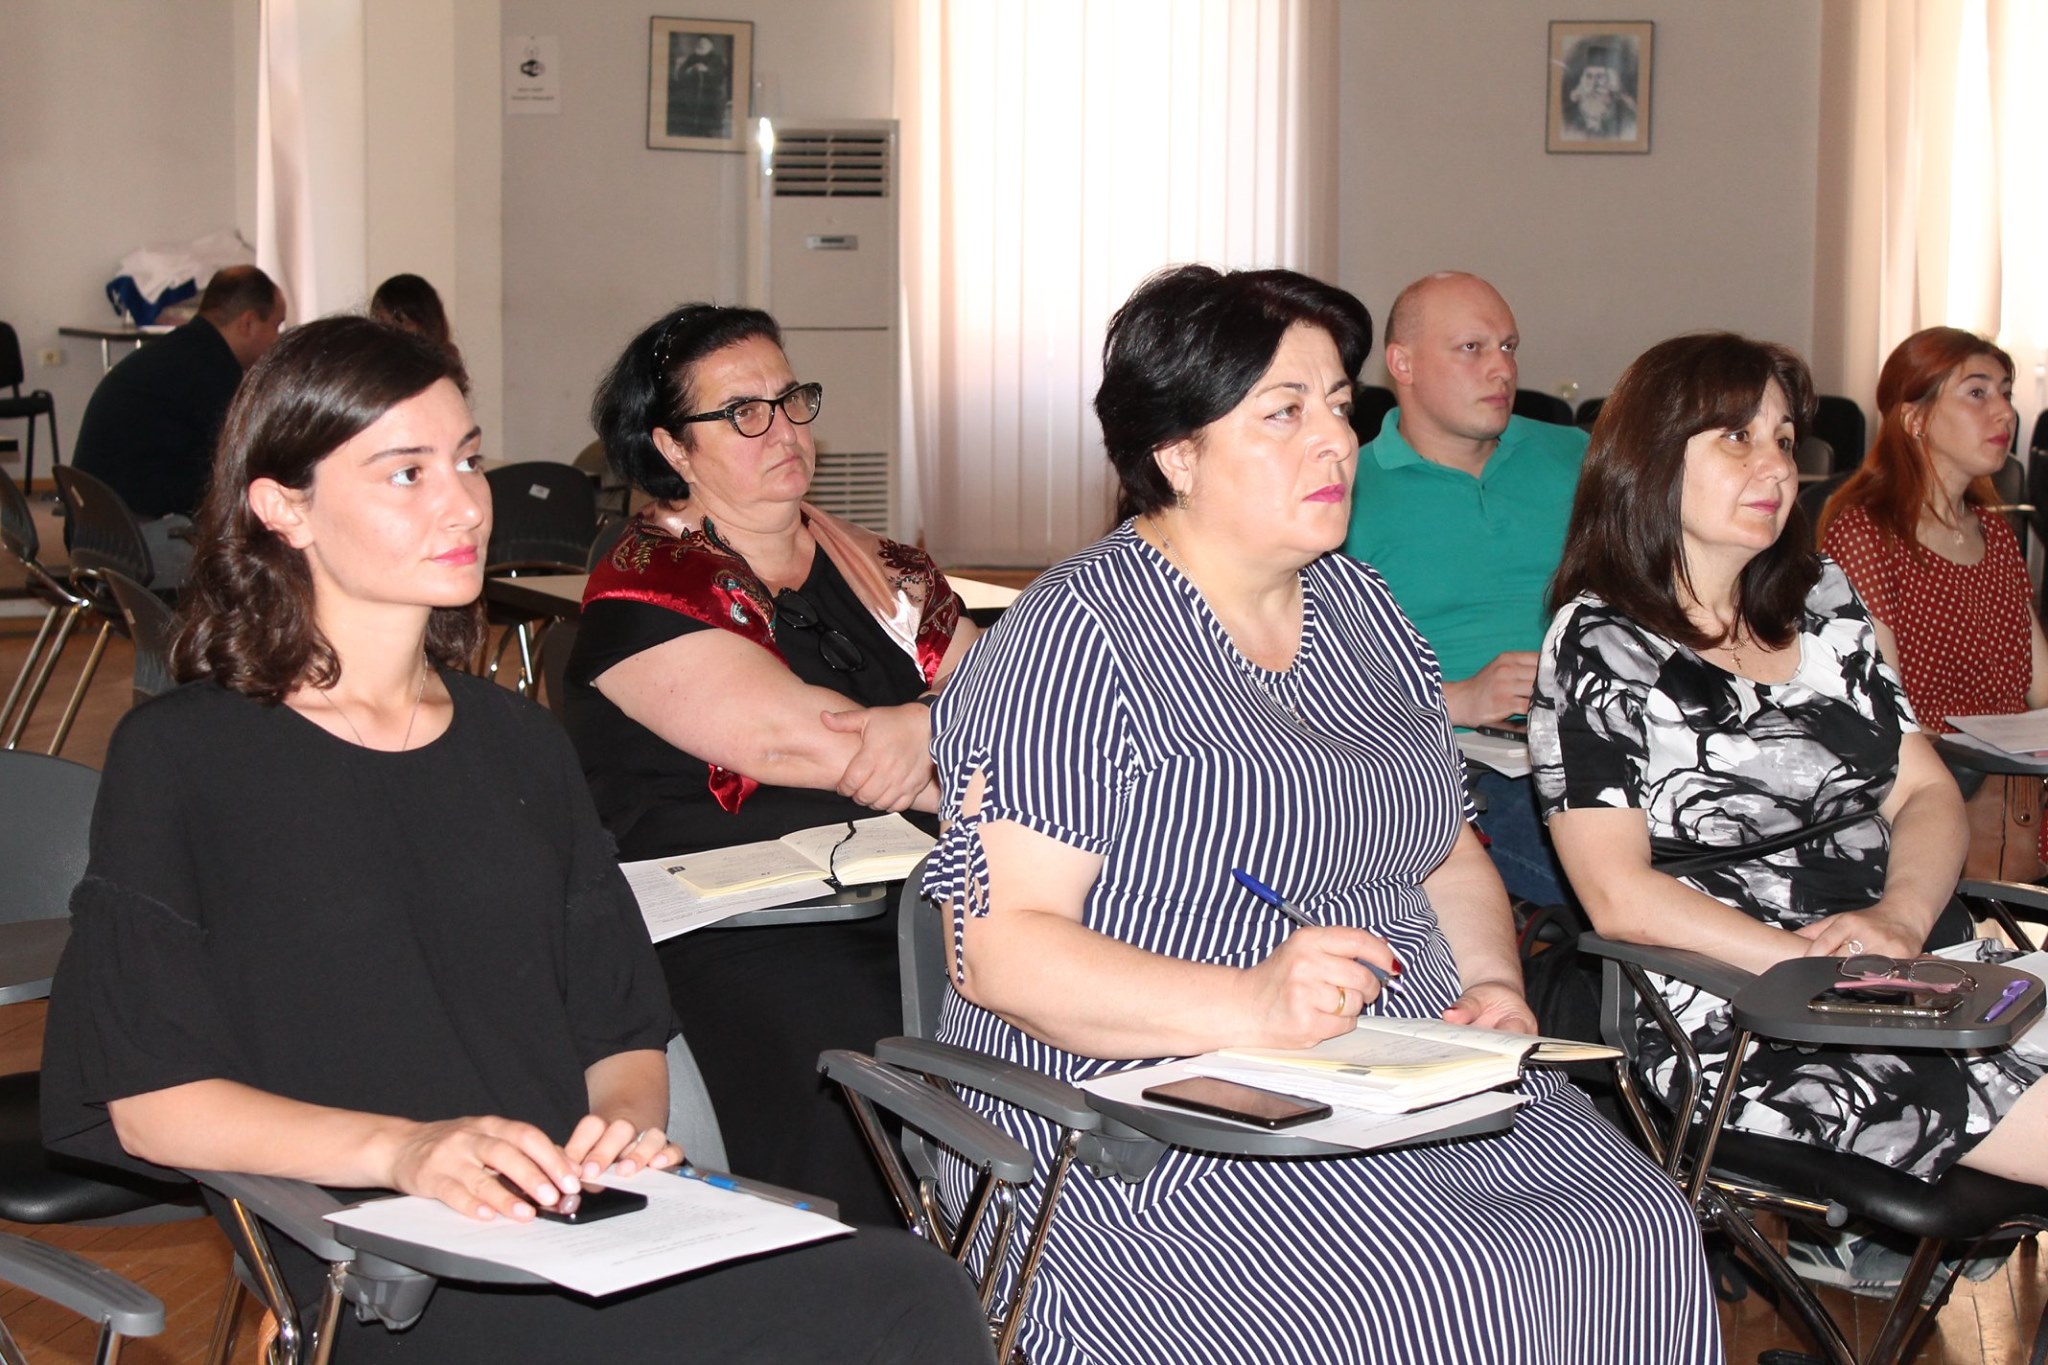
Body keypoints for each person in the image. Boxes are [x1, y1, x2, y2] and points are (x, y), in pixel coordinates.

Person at [36, 316, 991, 1364]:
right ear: (283, 507)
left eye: (467, 459)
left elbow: (620, 1027)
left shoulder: (516, 745)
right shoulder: (187, 757)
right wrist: (409, 1151)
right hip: (387, 1259)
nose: (464, 503)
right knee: (887, 1307)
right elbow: (152, 1104)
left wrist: (621, 1124)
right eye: (407, 473)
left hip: (574, 1222)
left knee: (911, 1287)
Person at [924, 265, 1720, 1365]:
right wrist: (1250, 1000)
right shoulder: (1073, 639)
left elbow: (1444, 850)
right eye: (1283, 413)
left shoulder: (1362, 608)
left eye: (1339, 406)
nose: (1336, 441)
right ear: (1177, 453)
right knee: (1433, 1291)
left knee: (1640, 1229)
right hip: (1145, 1100)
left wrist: (1492, 984)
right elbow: (998, 952)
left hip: (1400, 1062)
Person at [1530, 331, 2048, 1228]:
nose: (1773, 464)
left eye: (1781, 438)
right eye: (1736, 437)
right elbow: (1618, 896)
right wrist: (1829, 972)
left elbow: (1925, 790)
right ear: (1652, 456)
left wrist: (1898, 923)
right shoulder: (1602, 641)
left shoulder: (1822, 595)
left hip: (1913, 971)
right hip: (1748, 1010)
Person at [566, 303, 978, 1223]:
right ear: (672, 447)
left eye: (791, 400)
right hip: (740, 922)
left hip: (913, 891)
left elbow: (1028, 718)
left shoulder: (888, 571)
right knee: (856, 1043)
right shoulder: (644, 582)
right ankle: (870, 1277)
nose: (784, 428)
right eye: (743, 412)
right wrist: (942, 729)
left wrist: (926, 729)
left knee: (1040, 982)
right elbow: (817, 743)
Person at [1343, 271, 1587, 905]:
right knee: (1606, 871)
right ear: (1402, 364)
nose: (1501, 369)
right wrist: (1454, 699)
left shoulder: (1579, 458)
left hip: (1599, 731)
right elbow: (1298, 682)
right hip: (1456, 759)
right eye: (1471, 348)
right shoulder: (1344, 491)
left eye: (1508, 347)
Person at [1817, 328, 2045, 881]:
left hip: (2014, 794)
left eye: (2006, 392)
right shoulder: (1865, 535)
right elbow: (1881, 710)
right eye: (1977, 392)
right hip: (1933, 804)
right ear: (1914, 417)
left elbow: (2040, 684)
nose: (2004, 412)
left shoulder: (1994, 532)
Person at [71, 264, 288, 587]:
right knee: (274, 560)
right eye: (276, 325)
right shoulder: (211, 374)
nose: (278, 339)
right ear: (247, 323)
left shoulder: (176, 355)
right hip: (137, 545)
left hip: (98, 534)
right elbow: (239, 473)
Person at [369, 272, 456, 356]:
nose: (388, 334)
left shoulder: (443, 364)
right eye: (381, 323)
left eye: (398, 325)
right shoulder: (371, 359)